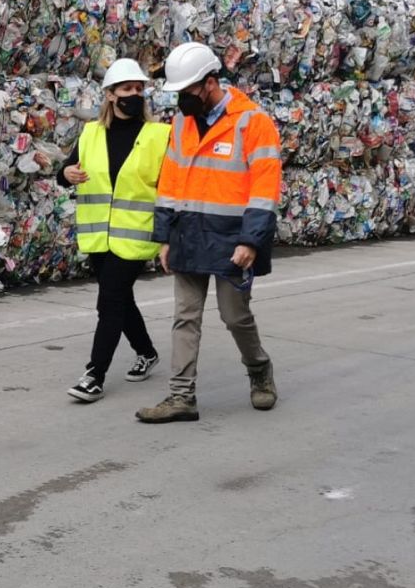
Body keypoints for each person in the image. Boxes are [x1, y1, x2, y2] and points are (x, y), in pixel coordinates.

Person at [136, 42, 281, 424]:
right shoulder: (182, 123)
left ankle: (259, 369)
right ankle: (181, 396)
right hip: (189, 234)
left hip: (232, 238)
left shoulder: (253, 122)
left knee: (234, 316)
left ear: (210, 83)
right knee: (185, 316)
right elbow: (170, 181)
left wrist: (251, 240)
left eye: (187, 92)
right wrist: (164, 237)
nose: (181, 100)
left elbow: (265, 189)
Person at [58, 58, 170, 402]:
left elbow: (171, 189)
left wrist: (169, 236)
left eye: (139, 89)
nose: (134, 94)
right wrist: (67, 175)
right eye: (126, 89)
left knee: (108, 302)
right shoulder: (91, 133)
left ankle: (94, 375)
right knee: (121, 299)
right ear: (110, 94)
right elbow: (66, 171)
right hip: (98, 235)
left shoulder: (159, 135)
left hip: (136, 235)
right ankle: (146, 352)